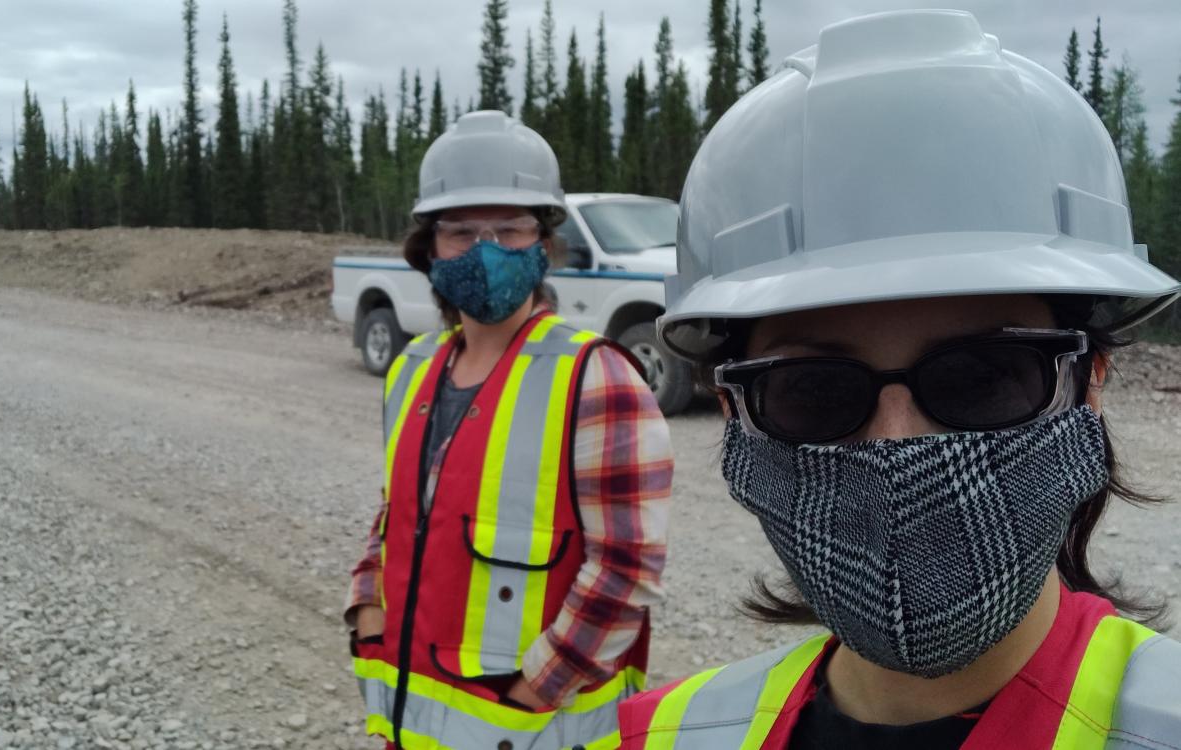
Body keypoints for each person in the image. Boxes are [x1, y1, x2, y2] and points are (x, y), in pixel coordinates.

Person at [618, 10, 1181, 750]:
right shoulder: (664, 736)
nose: (897, 446)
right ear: (734, 413)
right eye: (815, 391)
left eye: (982, 379)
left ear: (1090, 384)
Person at [345, 110, 674, 750]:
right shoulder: (410, 370)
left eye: (510, 228)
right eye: (461, 231)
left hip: (531, 729)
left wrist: (532, 691)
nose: (486, 248)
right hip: (411, 719)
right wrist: (366, 608)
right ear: (430, 248)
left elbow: (626, 569)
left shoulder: (595, 376)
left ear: (544, 243)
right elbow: (397, 511)